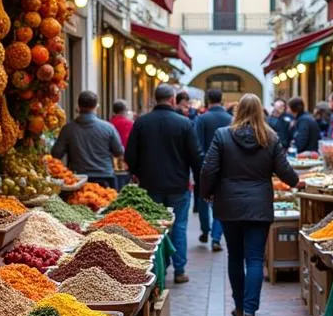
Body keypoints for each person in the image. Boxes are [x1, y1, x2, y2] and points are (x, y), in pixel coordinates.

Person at [199, 94, 299, 316]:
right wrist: (296, 182)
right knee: (255, 258)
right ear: (259, 112)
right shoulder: (270, 137)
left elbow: (209, 168)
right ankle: (251, 309)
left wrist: (207, 193)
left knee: (235, 256)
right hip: (259, 204)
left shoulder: (223, 135)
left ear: (238, 111)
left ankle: (240, 307)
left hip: (229, 204)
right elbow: (284, 170)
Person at [125, 83, 202, 284]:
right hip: (178, 185)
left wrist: (136, 173)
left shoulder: (142, 123)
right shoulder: (184, 123)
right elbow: (196, 156)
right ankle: (179, 270)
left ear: (155, 99)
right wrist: (200, 181)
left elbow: (130, 154)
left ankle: (159, 270)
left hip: (150, 185)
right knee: (179, 226)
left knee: (153, 227)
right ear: (172, 100)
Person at [51, 91, 124, 189]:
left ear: (78, 106)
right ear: (96, 107)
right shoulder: (108, 128)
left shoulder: (68, 129)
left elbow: (56, 154)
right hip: (106, 178)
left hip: (79, 180)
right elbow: (119, 152)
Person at [194, 88, 232, 251]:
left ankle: (205, 230)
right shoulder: (230, 119)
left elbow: (197, 144)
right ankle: (216, 237)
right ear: (221, 99)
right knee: (221, 202)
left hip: (205, 165)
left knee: (204, 199)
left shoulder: (202, 119)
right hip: (226, 166)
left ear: (207, 100)